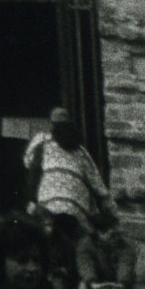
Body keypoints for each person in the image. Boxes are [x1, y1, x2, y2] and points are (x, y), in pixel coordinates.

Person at [23, 108, 109, 277]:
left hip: (49, 206)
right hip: (77, 210)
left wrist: (31, 201)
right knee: (74, 253)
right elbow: (97, 183)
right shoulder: (82, 151)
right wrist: (109, 210)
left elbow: (29, 164)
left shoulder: (43, 141)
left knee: (46, 246)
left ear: (51, 124)